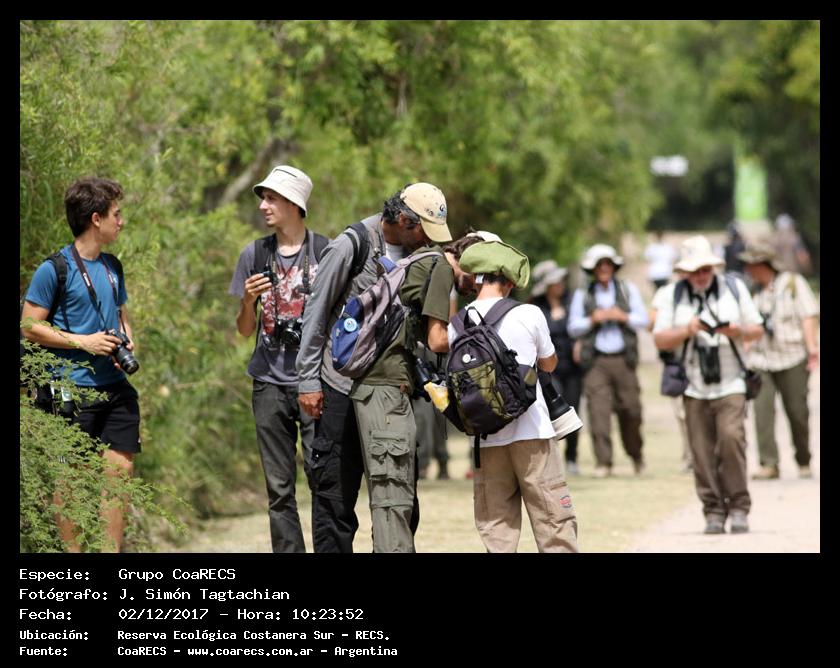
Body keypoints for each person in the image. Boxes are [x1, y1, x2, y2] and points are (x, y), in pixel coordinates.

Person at [22, 177, 141, 552]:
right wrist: (83, 342)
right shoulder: (54, 269)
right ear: (96, 219)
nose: (121, 221)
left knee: (120, 470)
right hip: (68, 390)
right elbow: (29, 326)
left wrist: (126, 339)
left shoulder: (112, 266)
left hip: (114, 387)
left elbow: (121, 314)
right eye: (116, 214)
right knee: (70, 480)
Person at [449, 240, 579, 552]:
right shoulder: (529, 313)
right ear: (508, 280)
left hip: (486, 438)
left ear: (478, 278)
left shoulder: (457, 324)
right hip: (532, 433)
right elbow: (549, 363)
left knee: (497, 530)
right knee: (553, 521)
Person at [349, 183, 455, 553]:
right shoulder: (436, 266)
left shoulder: (403, 263)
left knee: (394, 497)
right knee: (393, 499)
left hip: (378, 388)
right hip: (385, 391)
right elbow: (437, 339)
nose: (429, 240)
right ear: (407, 221)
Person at [228, 165, 328, 553]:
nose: (263, 206)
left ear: (294, 203)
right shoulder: (254, 254)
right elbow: (243, 330)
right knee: (279, 488)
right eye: (263, 199)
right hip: (268, 383)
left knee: (323, 480)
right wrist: (247, 301)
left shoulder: (326, 252)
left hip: (316, 382)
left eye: (271, 199)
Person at [653, 235, 764, 534]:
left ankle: (739, 506)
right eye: (694, 271)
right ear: (684, 272)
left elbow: (758, 329)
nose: (701, 275)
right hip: (693, 385)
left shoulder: (734, 288)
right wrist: (687, 330)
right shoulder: (672, 294)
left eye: (705, 269)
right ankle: (713, 510)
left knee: (731, 439)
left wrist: (737, 331)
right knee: (700, 452)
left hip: (731, 382)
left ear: (713, 268)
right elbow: (659, 338)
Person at [740, 242, 819, 480]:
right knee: (762, 411)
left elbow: (808, 315)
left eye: (751, 264)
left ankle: (803, 459)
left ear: (763, 264)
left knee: (797, 411)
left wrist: (811, 347)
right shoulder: (751, 290)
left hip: (792, 356)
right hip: (761, 359)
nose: (747, 268)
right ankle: (769, 463)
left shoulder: (793, 284)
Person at [568, 244, 649, 478]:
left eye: (608, 264)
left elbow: (643, 320)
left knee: (631, 410)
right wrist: (592, 320)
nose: (604, 268)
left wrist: (622, 316)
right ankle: (604, 462)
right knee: (598, 413)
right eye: (599, 265)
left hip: (624, 358)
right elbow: (573, 327)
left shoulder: (626, 289)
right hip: (596, 361)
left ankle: (636, 455)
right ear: (592, 269)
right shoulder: (583, 294)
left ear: (614, 267)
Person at [529, 260, 583, 475]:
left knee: (573, 412)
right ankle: (552, 459)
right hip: (549, 371)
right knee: (553, 412)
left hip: (573, 368)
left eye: (561, 280)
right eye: (555, 281)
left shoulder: (572, 302)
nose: (560, 284)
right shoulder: (536, 309)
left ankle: (572, 458)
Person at [649, 271, 693, 472]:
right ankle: (690, 455)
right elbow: (651, 324)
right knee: (682, 414)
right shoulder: (667, 293)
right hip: (678, 363)